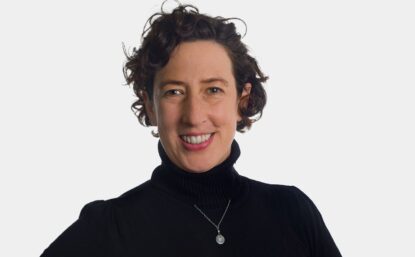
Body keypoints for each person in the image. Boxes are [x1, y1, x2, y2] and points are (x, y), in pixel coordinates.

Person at [40, 3, 342, 257]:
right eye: (174, 92)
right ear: (149, 105)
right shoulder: (108, 229)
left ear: (242, 99)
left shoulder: (292, 213)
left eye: (212, 89)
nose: (194, 116)